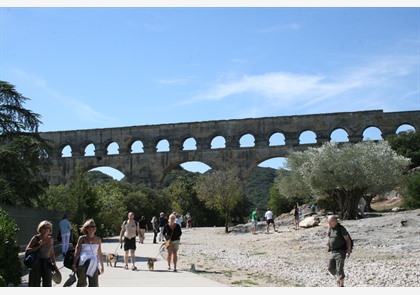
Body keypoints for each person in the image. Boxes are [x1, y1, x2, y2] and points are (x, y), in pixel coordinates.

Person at [25, 220, 59, 287]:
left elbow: (51, 252)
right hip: (36, 263)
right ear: (40, 229)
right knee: (35, 284)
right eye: (44, 228)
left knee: (47, 284)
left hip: (47, 263)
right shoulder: (36, 238)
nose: (46, 230)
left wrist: (54, 264)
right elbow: (27, 250)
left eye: (48, 228)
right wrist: (38, 246)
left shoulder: (51, 239)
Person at [73, 219, 104, 287]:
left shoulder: (98, 239)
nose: (92, 228)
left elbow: (99, 253)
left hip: (93, 263)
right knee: (81, 284)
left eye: (93, 226)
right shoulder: (82, 238)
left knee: (94, 285)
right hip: (82, 262)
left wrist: (102, 266)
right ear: (86, 228)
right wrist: (74, 264)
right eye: (89, 226)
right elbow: (77, 252)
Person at [326, 215, 352, 287]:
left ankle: (341, 285)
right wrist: (329, 227)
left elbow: (348, 240)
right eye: (328, 221)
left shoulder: (341, 228)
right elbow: (327, 235)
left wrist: (348, 251)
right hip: (333, 251)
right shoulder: (331, 228)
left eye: (329, 221)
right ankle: (338, 278)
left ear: (334, 221)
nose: (328, 223)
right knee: (330, 267)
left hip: (341, 251)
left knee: (339, 268)